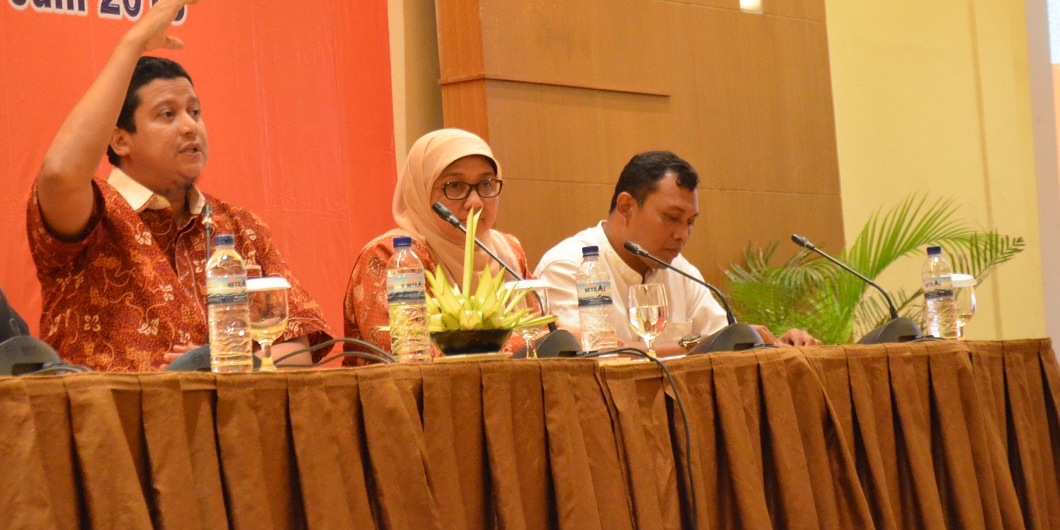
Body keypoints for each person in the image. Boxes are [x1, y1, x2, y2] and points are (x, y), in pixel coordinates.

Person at [28, 0, 331, 371]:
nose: (190, 127)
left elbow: (299, 346)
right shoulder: (91, 214)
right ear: (120, 139)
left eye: (194, 111)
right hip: (109, 409)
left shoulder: (239, 227)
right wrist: (132, 44)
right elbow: (59, 174)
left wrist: (227, 364)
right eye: (167, 115)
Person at [535, 150, 818, 354]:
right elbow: (587, 356)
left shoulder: (680, 271)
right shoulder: (568, 265)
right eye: (672, 218)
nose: (682, 234)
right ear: (626, 207)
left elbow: (725, 341)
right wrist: (690, 346)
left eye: (690, 222)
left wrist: (776, 344)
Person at [341, 129, 534, 362]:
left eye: (486, 184)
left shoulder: (507, 252)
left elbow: (547, 329)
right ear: (419, 191)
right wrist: (528, 345)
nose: (475, 202)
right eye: (454, 186)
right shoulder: (393, 256)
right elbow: (412, 354)